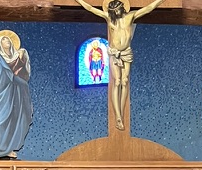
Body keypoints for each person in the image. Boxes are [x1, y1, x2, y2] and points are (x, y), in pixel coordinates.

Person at [71, 0, 168, 131]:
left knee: (125, 81)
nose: (115, 13)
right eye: (113, 11)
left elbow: (149, 7)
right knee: (116, 82)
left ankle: (121, 113)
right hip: (114, 53)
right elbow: (90, 8)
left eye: (117, 10)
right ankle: (118, 116)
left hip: (126, 52)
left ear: (122, 8)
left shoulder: (131, 16)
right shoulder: (109, 18)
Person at [0, 31, 33, 160]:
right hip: (3, 94)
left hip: (18, 93)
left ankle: (10, 148)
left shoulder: (17, 56)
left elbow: (24, 75)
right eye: (4, 40)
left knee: (17, 118)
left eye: (8, 40)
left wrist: (22, 59)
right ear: (0, 43)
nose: (7, 41)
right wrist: (12, 77)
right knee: (3, 120)